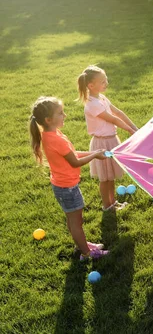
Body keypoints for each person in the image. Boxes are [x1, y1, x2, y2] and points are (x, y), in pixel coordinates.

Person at [29, 96, 109, 260]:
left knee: (73, 220)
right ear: (48, 119)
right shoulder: (57, 139)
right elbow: (75, 162)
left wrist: (94, 152)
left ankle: (82, 244)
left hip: (62, 186)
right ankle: (86, 253)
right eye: (60, 113)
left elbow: (71, 155)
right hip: (67, 188)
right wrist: (94, 155)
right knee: (76, 223)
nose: (64, 115)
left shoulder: (50, 134)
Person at [77, 65, 138, 211]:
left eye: (106, 80)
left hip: (111, 140)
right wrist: (130, 130)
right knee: (105, 178)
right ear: (91, 85)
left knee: (110, 176)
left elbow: (119, 113)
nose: (107, 83)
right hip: (102, 143)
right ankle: (107, 205)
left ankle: (112, 202)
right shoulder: (92, 104)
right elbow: (113, 119)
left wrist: (135, 128)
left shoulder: (102, 98)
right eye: (103, 82)